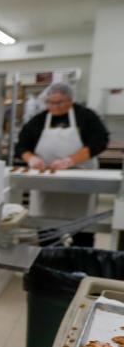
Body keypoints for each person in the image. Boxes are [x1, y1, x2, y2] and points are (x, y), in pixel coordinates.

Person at [16, 81, 109, 243]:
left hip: (80, 180)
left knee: (82, 226)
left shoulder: (86, 117)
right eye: (50, 102)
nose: (54, 106)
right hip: (47, 182)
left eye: (59, 102)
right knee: (46, 227)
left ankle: (81, 255)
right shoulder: (39, 120)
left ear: (71, 100)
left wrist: (70, 160)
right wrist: (31, 158)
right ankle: (50, 257)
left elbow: (100, 141)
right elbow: (21, 146)